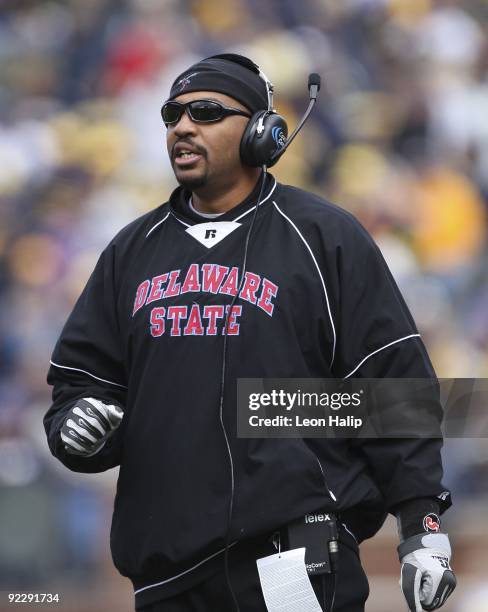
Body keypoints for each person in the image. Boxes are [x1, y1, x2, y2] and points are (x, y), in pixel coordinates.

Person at [44, 54, 456, 612]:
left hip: (292, 556)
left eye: (206, 112)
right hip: (169, 572)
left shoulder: (324, 235)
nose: (183, 127)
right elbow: (81, 387)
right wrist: (80, 427)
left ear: (263, 131)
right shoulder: (130, 251)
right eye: (173, 115)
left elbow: (395, 389)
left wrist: (422, 526)